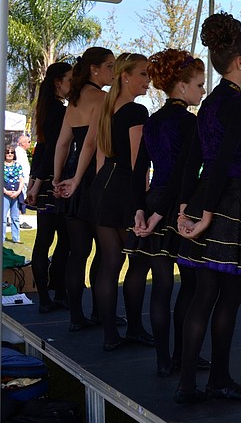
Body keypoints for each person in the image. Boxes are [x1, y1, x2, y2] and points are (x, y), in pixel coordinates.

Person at [174, 12, 241, 404]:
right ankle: (218, 379)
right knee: (229, 296)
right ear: (239, 61)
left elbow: (192, 160)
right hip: (226, 202)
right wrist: (207, 213)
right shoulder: (238, 105)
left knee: (203, 296)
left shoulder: (209, 104)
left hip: (206, 199)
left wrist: (187, 207)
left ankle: (188, 384)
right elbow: (224, 158)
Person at [58, 52, 151, 351]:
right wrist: (142, 199)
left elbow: (96, 151)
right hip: (122, 190)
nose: (148, 80)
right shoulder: (135, 112)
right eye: (143, 73)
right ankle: (133, 328)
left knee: (110, 263)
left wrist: (84, 183)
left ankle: (111, 334)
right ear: (126, 76)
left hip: (102, 188)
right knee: (136, 261)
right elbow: (138, 163)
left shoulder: (107, 107)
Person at [123, 48, 206, 377]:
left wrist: (139, 211)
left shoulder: (153, 122)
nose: (203, 91)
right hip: (177, 206)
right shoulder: (190, 123)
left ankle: (163, 360)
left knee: (161, 287)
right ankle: (183, 355)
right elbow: (181, 173)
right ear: (182, 86)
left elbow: (138, 171)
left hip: (154, 202)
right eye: (199, 85)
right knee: (189, 284)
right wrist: (156, 214)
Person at [52, 47, 115, 332]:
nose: (113, 71)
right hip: (91, 177)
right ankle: (101, 313)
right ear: (94, 69)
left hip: (73, 178)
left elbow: (63, 143)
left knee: (77, 252)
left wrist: (58, 178)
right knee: (103, 250)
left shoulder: (74, 101)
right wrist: (79, 178)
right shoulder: (101, 98)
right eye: (110, 66)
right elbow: (91, 142)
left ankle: (77, 316)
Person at [26, 62, 73, 314]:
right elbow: (53, 148)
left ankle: (48, 295)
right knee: (63, 239)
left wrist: (34, 181)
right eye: (70, 80)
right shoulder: (59, 111)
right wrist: (38, 182)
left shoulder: (47, 109)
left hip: (47, 180)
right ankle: (55, 292)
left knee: (47, 240)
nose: (73, 85)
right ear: (58, 82)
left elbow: (43, 148)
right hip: (56, 180)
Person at [4, 146, 25, 245]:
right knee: (3, 218)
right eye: (7, 152)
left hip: (16, 193)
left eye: (12, 152)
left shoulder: (18, 165)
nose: (10, 154)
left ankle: (16, 238)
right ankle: (2, 238)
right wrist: (6, 191)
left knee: (15, 217)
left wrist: (18, 192)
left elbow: (21, 180)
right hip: (5, 193)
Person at [14, 134, 32, 226]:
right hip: (20, 181)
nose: (30, 144)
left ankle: (19, 220)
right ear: (23, 143)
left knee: (22, 200)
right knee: (19, 201)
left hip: (24, 181)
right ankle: (17, 220)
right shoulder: (18, 153)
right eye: (29, 142)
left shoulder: (22, 152)